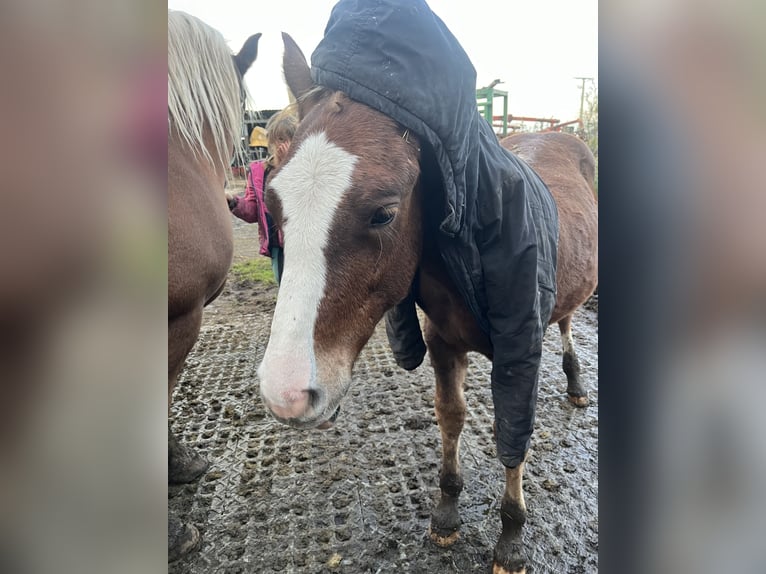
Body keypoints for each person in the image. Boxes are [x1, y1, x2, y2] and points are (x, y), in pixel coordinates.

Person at [227, 107, 298, 284]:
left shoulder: (303, 167)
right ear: (272, 141)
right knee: (283, 285)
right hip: (278, 245)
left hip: (302, 241)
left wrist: (288, 163)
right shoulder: (258, 172)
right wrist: (234, 202)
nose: (285, 145)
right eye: (281, 139)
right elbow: (252, 211)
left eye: (291, 139)